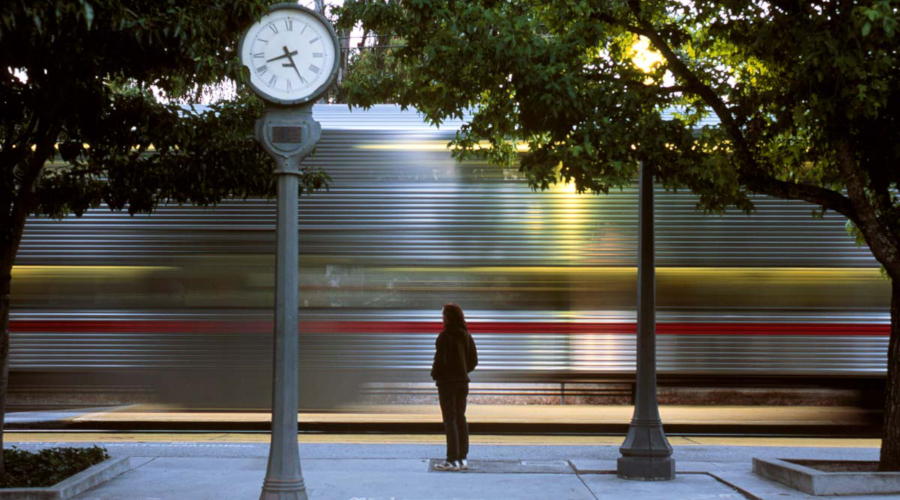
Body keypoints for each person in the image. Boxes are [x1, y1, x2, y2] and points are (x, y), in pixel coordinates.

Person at [431, 303, 478, 472]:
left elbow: (440, 361)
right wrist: (462, 371)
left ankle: (451, 460)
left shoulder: (445, 336)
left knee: (449, 420)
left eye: (443, 315)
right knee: (460, 418)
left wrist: (435, 374)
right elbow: (473, 361)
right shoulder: (467, 336)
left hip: (447, 384)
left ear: (448, 317)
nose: (442, 318)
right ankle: (462, 459)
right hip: (462, 383)